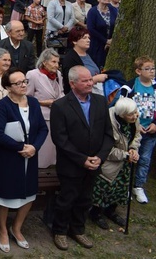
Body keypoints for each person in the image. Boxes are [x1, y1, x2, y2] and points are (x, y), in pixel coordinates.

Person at [50, 65, 114, 251]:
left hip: (95, 163)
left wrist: (100, 158)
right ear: (72, 83)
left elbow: (108, 134)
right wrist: (81, 159)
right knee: (67, 198)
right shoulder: (61, 106)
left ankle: (78, 229)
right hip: (71, 165)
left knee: (85, 199)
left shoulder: (101, 102)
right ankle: (60, 231)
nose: (90, 83)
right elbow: (60, 139)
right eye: (85, 80)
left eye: (90, 79)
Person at [0, 69, 48, 253]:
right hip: (9, 157)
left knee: (29, 192)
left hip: (30, 156)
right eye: (18, 83)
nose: (24, 85)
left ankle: (16, 228)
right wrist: (20, 148)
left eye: (24, 81)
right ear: (8, 87)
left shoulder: (33, 102)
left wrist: (34, 147)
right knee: (5, 194)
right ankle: (2, 229)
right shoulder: (3, 105)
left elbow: (42, 129)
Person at [89, 97, 141, 230]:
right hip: (110, 162)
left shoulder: (134, 117)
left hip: (125, 162)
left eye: (135, 112)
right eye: (131, 114)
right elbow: (106, 149)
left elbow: (137, 136)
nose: (135, 116)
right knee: (103, 189)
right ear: (121, 114)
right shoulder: (109, 122)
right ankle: (96, 214)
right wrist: (125, 155)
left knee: (121, 188)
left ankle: (111, 211)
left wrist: (133, 149)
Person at [26, 48, 65, 168]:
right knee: (43, 150)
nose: (56, 65)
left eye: (58, 62)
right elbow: (27, 97)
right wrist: (44, 102)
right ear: (44, 62)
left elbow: (61, 92)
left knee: (54, 150)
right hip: (41, 117)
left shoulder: (58, 75)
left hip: (56, 116)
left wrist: (60, 101)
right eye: (53, 62)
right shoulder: (32, 75)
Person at [128, 56, 156, 204]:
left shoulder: (155, 86)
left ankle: (138, 186)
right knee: (130, 157)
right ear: (138, 71)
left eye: (153, 68)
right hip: (134, 129)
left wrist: (155, 125)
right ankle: (125, 185)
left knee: (145, 159)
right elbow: (123, 106)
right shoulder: (131, 86)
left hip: (150, 131)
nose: (152, 72)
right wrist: (134, 124)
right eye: (147, 69)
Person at [60, 27, 108, 95]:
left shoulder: (88, 54)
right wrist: (95, 79)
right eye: (84, 38)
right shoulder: (70, 59)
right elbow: (73, 83)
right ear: (75, 41)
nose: (88, 40)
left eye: (89, 38)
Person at [86, 0, 118, 68]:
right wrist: (105, 41)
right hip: (97, 44)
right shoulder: (93, 11)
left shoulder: (113, 10)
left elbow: (117, 25)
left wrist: (111, 40)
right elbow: (91, 28)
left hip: (112, 44)